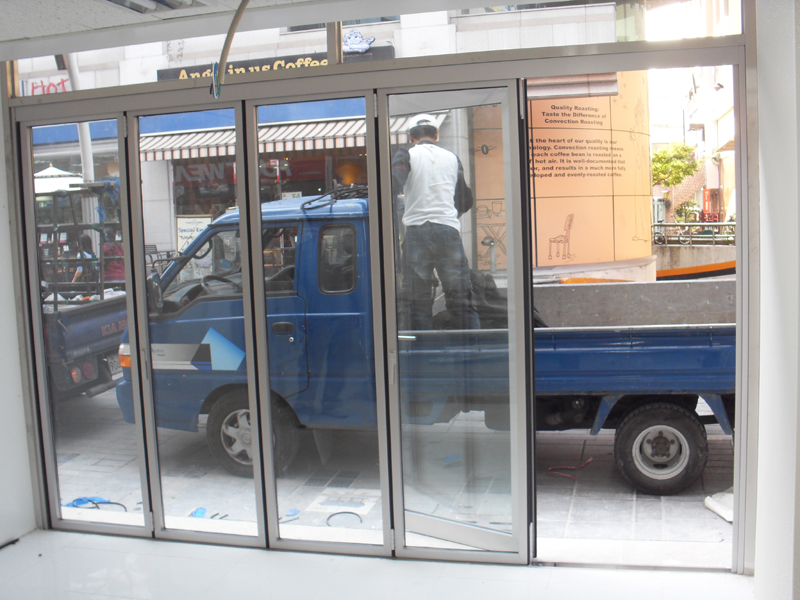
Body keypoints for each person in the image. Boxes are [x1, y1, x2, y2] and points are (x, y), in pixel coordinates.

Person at [391, 113, 479, 330]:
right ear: (436, 135)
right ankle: (474, 345)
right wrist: (447, 218)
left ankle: (424, 347)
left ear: (411, 137)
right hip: (448, 231)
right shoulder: (452, 158)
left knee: (417, 302)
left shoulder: (405, 155)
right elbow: (465, 200)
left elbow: (392, 184)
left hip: (417, 232)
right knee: (461, 297)